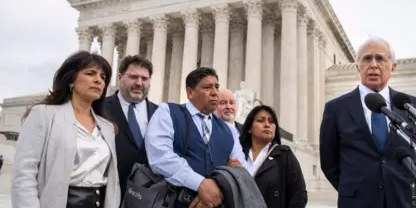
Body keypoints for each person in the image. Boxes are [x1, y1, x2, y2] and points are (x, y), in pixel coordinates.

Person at [319, 38, 416, 208]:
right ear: (358, 66)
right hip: (357, 201)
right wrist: (354, 187)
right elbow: (329, 161)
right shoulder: (336, 108)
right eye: (366, 59)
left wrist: (409, 184)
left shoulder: (413, 106)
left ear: (392, 66)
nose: (373, 65)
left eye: (380, 58)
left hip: (407, 200)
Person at [11, 51, 120, 208]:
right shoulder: (44, 114)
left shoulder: (107, 127)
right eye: (90, 74)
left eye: (103, 77)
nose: (98, 80)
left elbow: (111, 180)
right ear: (71, 80)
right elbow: (24, 173)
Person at [145, 67, 247, 208]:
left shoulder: (227, 130)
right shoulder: (168, 112)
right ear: (190, 92)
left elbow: (239, 169)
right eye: (207, 87)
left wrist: (218, 187)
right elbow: (160, 156)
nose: (214, 92)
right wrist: (200, 184)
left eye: (216, 87)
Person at [104, 55, 158, 200]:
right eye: (133, 77)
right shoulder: (99, 109)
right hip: (109, 195)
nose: (139, 83)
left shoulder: (161, 114)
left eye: (145, 79)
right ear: (120, 77)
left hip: (149, 197)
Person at [240, 105, 307, 208]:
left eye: (271, 121)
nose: (267, 125)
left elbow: (299, 195)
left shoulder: (284, 155)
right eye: (260, 120)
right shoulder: (237, 153)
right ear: (249, 128)